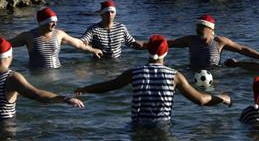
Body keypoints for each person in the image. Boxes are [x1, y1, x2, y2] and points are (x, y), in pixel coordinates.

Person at [75, 35, 232, 126]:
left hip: (137, 126)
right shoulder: (174, 76)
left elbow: (109, 86)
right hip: (162, 127)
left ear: (148, 51)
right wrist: (222, 98)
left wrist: (85, 89)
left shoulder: (134, 73)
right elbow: (201, 100)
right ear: (166, 52)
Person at [0, 36, 85, 120]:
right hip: (5, 129)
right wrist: (66, 99)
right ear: (9, 56)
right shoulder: (12, 78)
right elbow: (38, 95)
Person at [0, 7, 103, 68]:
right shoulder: (29, 36)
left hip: (57, 72)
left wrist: (93, 50)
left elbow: (79, 44)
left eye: (55, 21)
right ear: (43, 22)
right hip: (36, 74)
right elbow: (4, 45)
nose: (55, 24)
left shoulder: (59, 34)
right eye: (51, 21)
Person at [168, 14, 259, 70]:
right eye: (197, 27)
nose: (198, 30)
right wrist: (152, 43)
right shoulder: (190, 40)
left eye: (201, 27)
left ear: (211, 29)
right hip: (193, 72)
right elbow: (170, 43)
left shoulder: (219, 42)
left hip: (214, 74)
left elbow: (243, 49)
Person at [80, 0, 145, 59]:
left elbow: (132, 43)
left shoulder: (121, 28)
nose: (110, 14)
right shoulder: (93, 29)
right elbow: (82, 43)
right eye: (107, 12)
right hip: (99, 63)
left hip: (116, 62)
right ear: (102, 14)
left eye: (112, 12)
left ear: (115, 14)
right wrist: (91, 49)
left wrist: (149, 45)